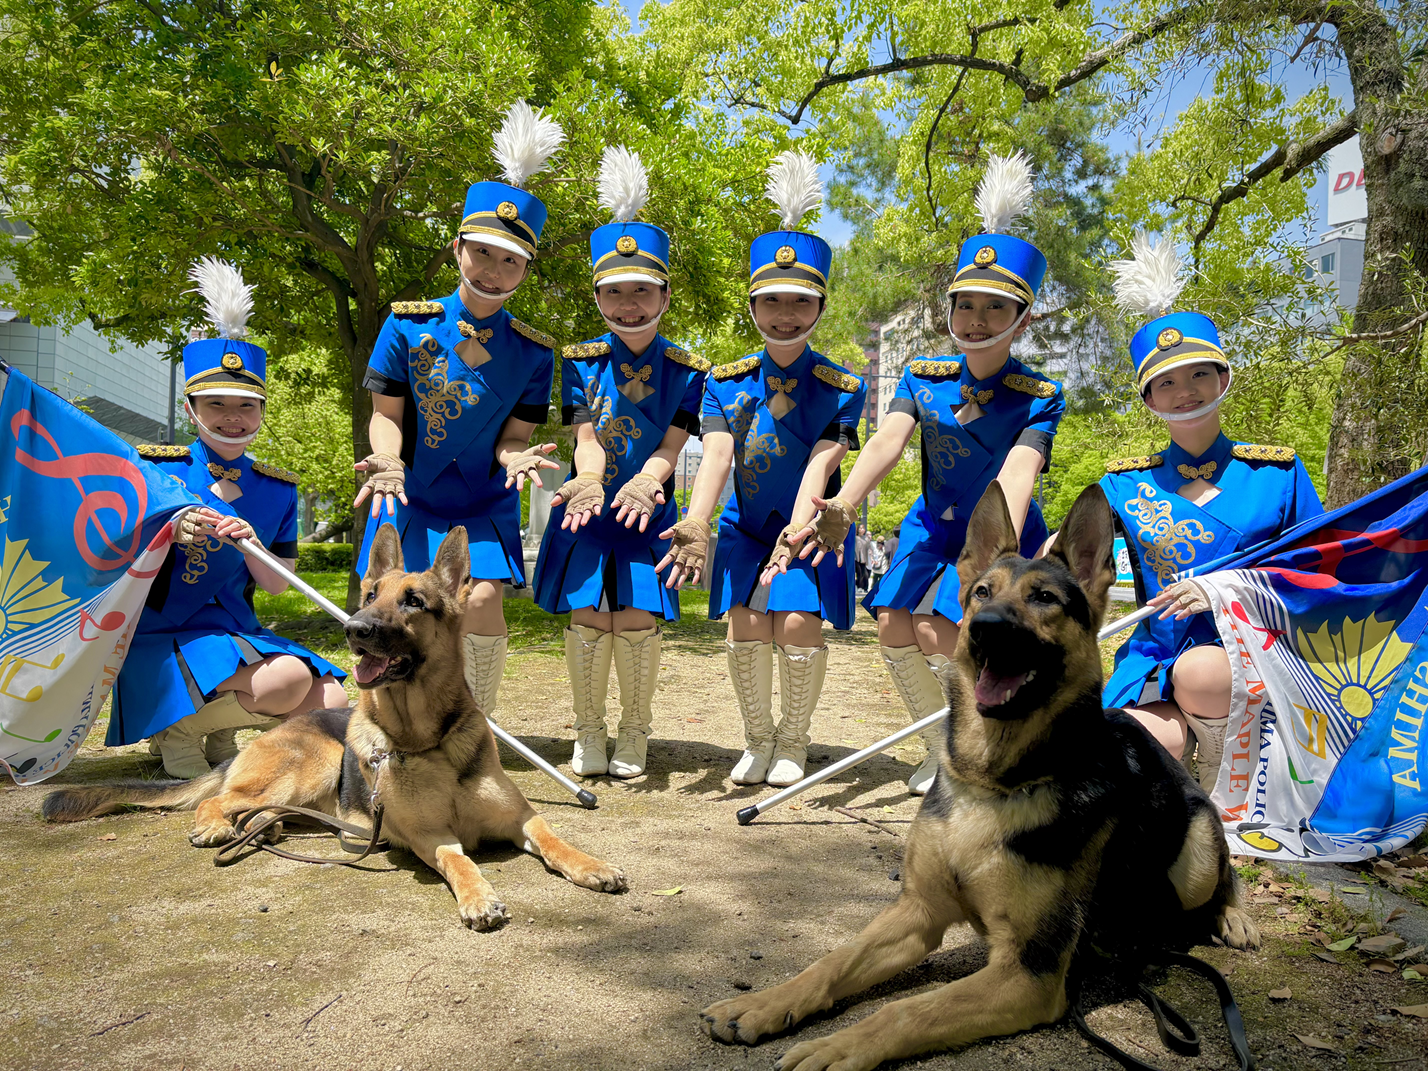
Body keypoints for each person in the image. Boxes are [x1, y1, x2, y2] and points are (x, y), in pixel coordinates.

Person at [791, 153, 1063, 795]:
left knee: (941, 631)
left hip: (999, 536)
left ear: (1022, 318)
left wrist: (993, 557)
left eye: (995, 308)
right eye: (964, 304)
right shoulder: (922, 376)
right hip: (930, 528)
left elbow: (1019, 474)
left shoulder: (1041, 394)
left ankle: (988, 743)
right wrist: (845, 502)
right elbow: (887, 441)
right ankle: (942, 748)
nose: (976, 319)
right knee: (893, 626)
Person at [659, 150, 866, 787]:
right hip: (745, 528)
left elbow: (820, 464)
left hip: (811, 526)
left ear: (821, 305)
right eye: (770, 300)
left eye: (800, 300)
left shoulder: (843, 385)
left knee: (797, 622)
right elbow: (717, 455)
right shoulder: (724, 382)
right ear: (751, 305)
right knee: (747, 624)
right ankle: (758, 739)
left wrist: (797, 533)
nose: (785, 313)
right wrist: (697, 520)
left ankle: (794, 742)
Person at [354, 101, 562, 718]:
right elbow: (386, 414)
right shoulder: (405, 325)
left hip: (481, 504)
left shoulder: (533, 352)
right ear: (457, 248)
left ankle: (472, 720)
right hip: (408, 495)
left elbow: (513, 436)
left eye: (512, 260)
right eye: (484, 253)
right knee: (393, 612)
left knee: (481, 601)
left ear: (526, 268)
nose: (495, 271)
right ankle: (397, 722)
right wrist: (388, 461)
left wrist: (517, 457)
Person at [1097, 233, 1323, 789]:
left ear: (1223, 378)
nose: (1186, 390)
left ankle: (1229, 787)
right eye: (1166, 382)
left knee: (1205, 674)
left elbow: (1315, 570)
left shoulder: (1278, 473)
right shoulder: (1124, 484)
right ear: (1149, 399)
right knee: (1129, 744)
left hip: (1253, 651)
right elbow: (1070, 560)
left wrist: (1223, 593)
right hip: (1157, 651)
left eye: (1199, 373)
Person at [113, 259, 348, 779]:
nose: (232, 416)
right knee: (287, 680)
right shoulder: (155, 471)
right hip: (163, 634)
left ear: (262, 411)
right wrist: (169, 532)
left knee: (331, 698)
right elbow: (110, 549)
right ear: (190, 408)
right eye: (215, 403)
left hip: (235, 632)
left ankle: (215, 726)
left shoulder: (278, 488)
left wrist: (254, 544)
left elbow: (278, 586)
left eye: (246, 404)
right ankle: (176, 727)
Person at [532, 147, 711, 779]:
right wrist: (588, 477)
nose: (628, 303)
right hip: (586, 509)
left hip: (648, 510)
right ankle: (588, 732)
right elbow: (584, 436)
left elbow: (673, 444)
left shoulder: (691, 371)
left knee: (635, 618)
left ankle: (634, 733)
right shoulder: (579, 362)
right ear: (597, 295)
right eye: (614, 291)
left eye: (641, 290)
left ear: (665, 293)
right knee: (588, 615)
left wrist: (645, 481)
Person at [854, 525, 870, 591]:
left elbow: (868, 549)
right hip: (856, 558)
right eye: (860, 528)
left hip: (863, 558)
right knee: (859, 573)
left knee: (865, 574)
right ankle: (859, 586)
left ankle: (865, 587)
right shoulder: (855, 538)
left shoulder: (866, 539)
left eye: (863, 528)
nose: (862, 529)